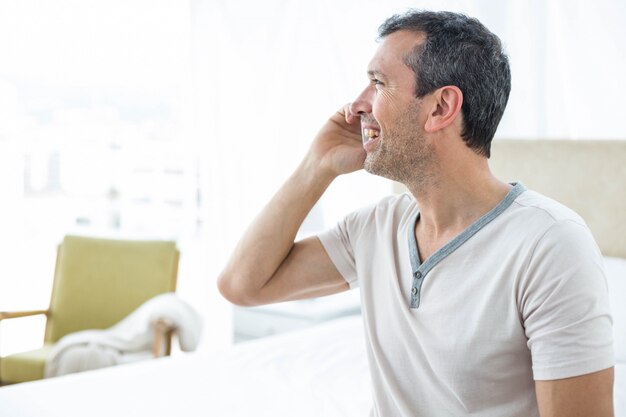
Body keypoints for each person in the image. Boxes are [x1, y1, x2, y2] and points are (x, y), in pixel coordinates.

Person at [218, 9, 614, 417]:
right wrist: (316, 166)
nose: (356, 105)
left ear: (441, 107)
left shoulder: (550, 245)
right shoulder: (375, 227)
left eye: (378, 83)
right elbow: (243, 285)